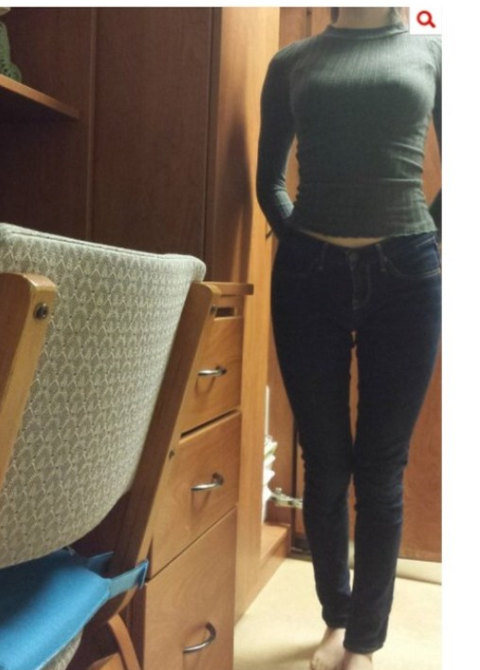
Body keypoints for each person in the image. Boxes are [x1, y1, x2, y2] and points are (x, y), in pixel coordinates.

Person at [256, 7, 441, 670]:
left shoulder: (434, 50)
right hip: (307, 277)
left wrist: (425, 241)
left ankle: (365, 640)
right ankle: (336, 620)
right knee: (326, 462)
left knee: (381, 467)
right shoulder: (291, 62)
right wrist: (304, 245)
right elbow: (269, 180)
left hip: (407, 277)